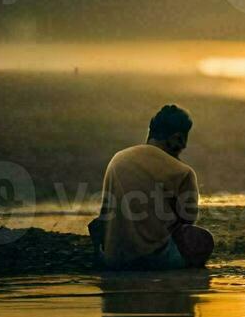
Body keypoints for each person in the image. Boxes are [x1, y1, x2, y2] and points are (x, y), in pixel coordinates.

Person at [89, 105, 213, 270]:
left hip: (113, 259)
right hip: (155, 260)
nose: (182, 149)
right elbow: (187, 222)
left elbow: (104, 216)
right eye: (182, 143)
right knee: (203, 239)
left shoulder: (119, 158)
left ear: (150, 132)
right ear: (177, 138)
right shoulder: (183, 171)